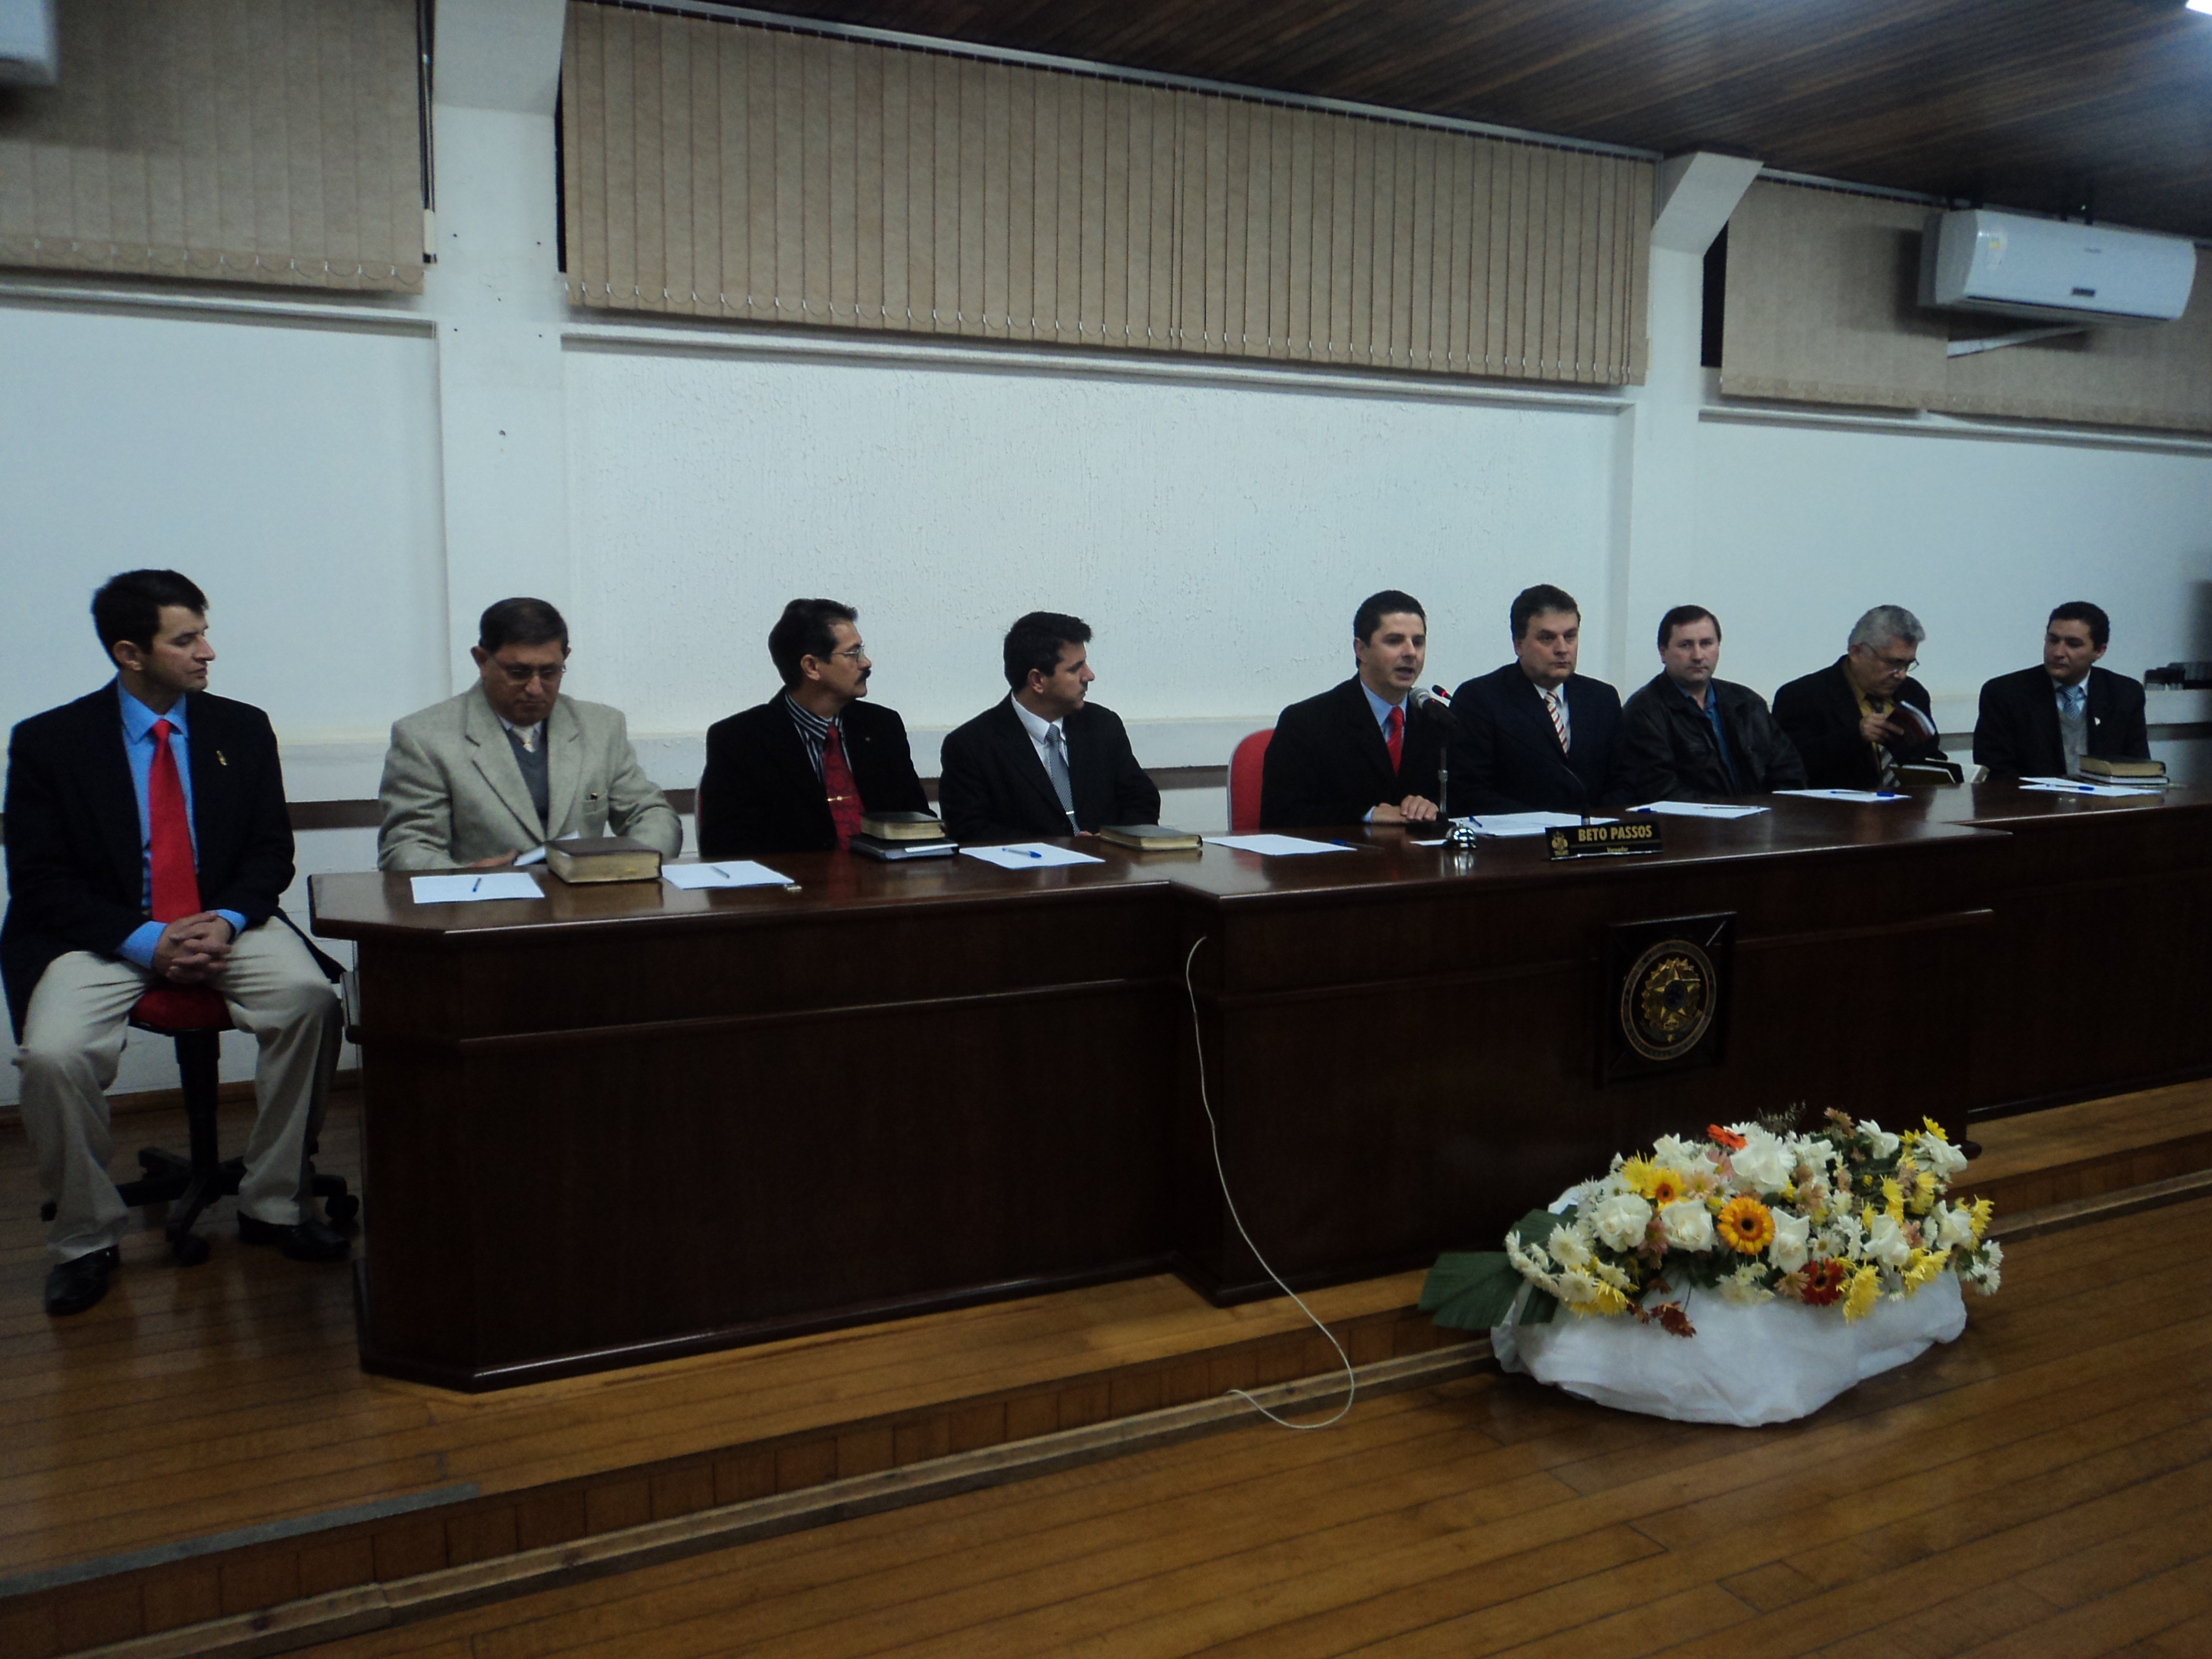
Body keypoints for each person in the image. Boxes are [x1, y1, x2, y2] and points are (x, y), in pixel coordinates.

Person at [3, 571, 347, 1317]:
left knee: (311, 1001)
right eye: (185, 640)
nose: (207, 652)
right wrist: (148, 939)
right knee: (57, 1054)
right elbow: (40, 881)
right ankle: (86, 1238)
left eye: (204, 633)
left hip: (226, 922)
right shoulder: (49, 743)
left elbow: (270, 854)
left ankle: (277, 1201)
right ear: (130, 652)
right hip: (100, 935)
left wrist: (223, 920)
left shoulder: (241, 728)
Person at [377, 598, 682, 870]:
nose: (535, 689)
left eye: (550, 673)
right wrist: (463, 878)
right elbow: (406, 850)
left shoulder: (601, 727)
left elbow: (652, 815)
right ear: (482, 660)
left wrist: (628, 864)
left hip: (586, 912)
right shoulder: (425, 738)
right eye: (518, 673)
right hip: (483, 918)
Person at [697, 599, 930, 857]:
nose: (866, 663)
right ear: (811, 667)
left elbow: (919, 825)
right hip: (793, 892)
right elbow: (725, 848)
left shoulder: (882, 727)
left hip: (883, 889)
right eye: (853, 654)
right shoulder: (740, 741)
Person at [940, 613, 1160, 844]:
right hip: (1024, 877)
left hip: (1109, 871)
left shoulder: (1103, 725)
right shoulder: (971, 746)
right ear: (1037, 681)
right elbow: (970, 831)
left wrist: (1111, 840)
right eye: (1075, 669)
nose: (1090, 676)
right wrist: (1057, 849)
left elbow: (1142, 801)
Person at [1260, 591, 1448, 828]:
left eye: (1418, 642)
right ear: (1361, 650)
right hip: (1340, 863)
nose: (1411, 652)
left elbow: (1466, 806)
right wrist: (1367, 815)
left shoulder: (1435, 723)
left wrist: (1432, 809)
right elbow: (1279, 817)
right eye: (1394, 641)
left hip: (1420, 862)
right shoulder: (1307, 723)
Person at [1451, 584, 1625, 815]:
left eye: (1570, 637)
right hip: (1517, 843)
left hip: (1593, 839)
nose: (1562, 649)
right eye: (1547, 638)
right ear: (1518, 644)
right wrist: (1547, 827)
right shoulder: (1479, 700)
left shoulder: (1602, 699)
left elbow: (1624, 781)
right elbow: (1470, 793)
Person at [1619, 606, 1808, 800]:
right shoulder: (1645, 712)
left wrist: (1771, 816)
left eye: (1706, 643)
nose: (1698, 656)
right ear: (1663, 653)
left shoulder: (1747, 703)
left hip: (1762, 823)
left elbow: (1789, 771)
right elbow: (1661, 789)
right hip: (1690, 826)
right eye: (1685, 645)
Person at [1773, 605, 1945, 791]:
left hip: (1909, 811)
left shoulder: (1913, 693)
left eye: (1908, 664)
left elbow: (1930, 755)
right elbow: (1791, 767)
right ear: (1857, 653)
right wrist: (1856, 736)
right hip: (1835, 814)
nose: (1901, 675)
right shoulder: (1802, 695)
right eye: (1893, 663)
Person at [1973, 602, 2152, 780]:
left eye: (2073, 644)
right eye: (2053, 641)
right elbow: (1996, 772)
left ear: (2099, 651)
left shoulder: (2125, 694)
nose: (2058, 652)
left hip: (2103, 805)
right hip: (2031, 804)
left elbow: (2137, 768)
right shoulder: (2004, 694)